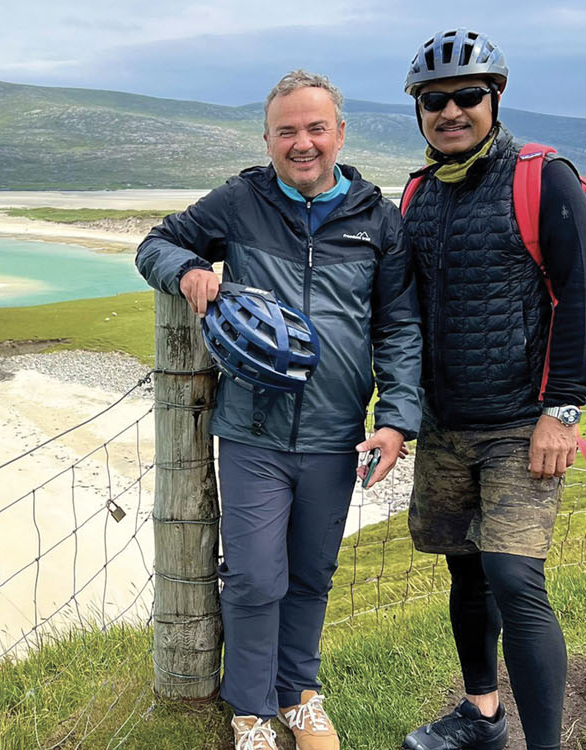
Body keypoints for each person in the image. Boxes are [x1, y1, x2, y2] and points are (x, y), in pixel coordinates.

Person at [135, 70, 422, 750]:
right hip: (252, 432)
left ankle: (298, 696)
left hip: (334, 434)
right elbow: (155, 243)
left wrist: (397, 417)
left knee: (311, 574)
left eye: (315, 128)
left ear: (340, 134)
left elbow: (400, 327)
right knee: (257, 575)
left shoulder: (378, 220)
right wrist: (187, 270)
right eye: (287, 131)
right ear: (267, 138)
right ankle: (251, 711)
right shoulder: (240, 202)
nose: (302, 143)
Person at [397, 29, 586, 750]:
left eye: (466, 97)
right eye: (433, 101)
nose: (450, 112)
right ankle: (482, 716)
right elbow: (402, 308)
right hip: (445, 423)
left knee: (516, 578)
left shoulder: (545, 177)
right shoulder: (418, 192)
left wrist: (563, 411)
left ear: (496, 97)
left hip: (523, 423)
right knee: (467, 571)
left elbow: (582, 299)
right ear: (418, 109)